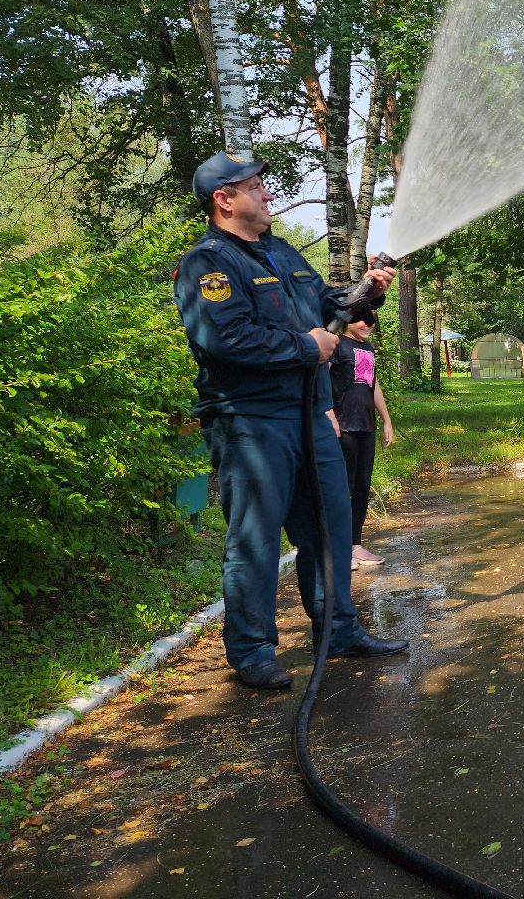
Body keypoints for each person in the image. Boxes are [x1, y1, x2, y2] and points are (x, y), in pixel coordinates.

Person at [173, 152, 407, 691]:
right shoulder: (208, 263)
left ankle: (339, 631)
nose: (268, 194)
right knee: (255, 539)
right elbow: (224, 340)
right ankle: (253, 652)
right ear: (224, 200)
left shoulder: (282, 251)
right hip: (251, 423)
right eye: (255, 187)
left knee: (332, 528)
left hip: (311, 416)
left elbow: (329, 303)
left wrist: (367, 292)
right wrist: (307, 347)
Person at [330, 312, 395, 569]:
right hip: (343, 426)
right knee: (342, 488)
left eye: (372, 321)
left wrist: (387, 420)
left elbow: (373, 385)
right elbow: (321, 379)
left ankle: (355, 546)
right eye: (362, 320)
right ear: (347, 321)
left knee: (361, 486)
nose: (368, 325)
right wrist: (327, 413)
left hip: (366, 425)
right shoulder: (336, 344)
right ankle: (339, 548)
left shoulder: (367, 347)